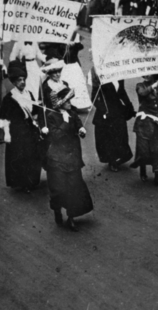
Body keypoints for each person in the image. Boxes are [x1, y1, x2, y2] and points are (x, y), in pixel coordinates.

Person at [41, 87, 93, 231]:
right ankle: (57, 210)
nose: (70, 103)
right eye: (67, 101)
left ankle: (71, 217)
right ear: (60, 103)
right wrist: (64, 122)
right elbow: (55, 136)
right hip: (57, 159)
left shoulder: (72, 113)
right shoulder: (50, 116)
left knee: (74, 187)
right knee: (59, 189)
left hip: (72, 157)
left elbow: (78, 125)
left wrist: (82, 130)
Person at [0, 64, 43, 192]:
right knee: (21, 157)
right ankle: (24, 183)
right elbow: (3, 118)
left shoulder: (29, 93)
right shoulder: (9, 98)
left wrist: (36, 119)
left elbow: (35, 110)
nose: (22, 82)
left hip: (30, 129)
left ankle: (32, 181)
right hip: (17, 132)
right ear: (13, 82)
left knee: (33, 155)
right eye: (19, 80)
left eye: (24, 79)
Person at [90, 69, 135, 172]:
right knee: (108, 138)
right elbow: (94, 98)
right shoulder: (100, 77)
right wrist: (104, 110)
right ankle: (112, 161)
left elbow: (122, 92)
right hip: (105, 113)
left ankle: (120, 156)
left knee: (120, 134)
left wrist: (129, 106)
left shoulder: (119, 76)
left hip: (117, 110)